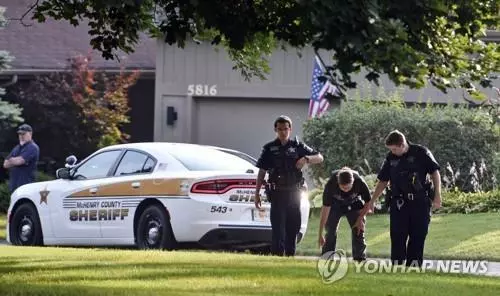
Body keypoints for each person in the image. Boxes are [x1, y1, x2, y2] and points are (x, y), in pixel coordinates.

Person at [356, 130, 441, 267]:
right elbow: (383, 181)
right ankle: (397, 267)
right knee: (397, 236)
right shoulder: (391, 158)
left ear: (402, 144)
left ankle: (413, 267)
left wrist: (437, 195)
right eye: (391, 149)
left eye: (394, 149)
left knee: (418, 235)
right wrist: (372, 201)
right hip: (399, 203)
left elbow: (435, 173)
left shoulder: (421, 153)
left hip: (419, 202)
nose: (392, 152)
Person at [254, 115, 323, 256]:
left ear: (290, 129)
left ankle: (290, 255)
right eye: (280, 129)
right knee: (278, 228)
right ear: (275, 130)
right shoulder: (269, 148)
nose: (283, 132)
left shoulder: (297, 146)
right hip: (277, 193)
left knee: (293, 226)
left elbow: (320, 157)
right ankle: (277, 256)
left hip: (295, 192)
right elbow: (261, 172)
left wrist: (306, 158)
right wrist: (256, 194)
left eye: (285, 129)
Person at [318, 167, 371, 261]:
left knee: (358, 229)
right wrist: (320, 234)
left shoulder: (359, 182)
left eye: (348, 187)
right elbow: (325, 210)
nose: (345, 190)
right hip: (335, 205)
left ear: (353, 182)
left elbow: (368, 203)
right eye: (342, 187)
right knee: (330, 231)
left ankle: (359, 258)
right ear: (338, 183)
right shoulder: (331, 185)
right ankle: (327, 257)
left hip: (354, 203)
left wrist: (360, 219)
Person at [3, 124, 40, 193]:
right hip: (14, 186)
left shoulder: (33, 147)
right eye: (20, 134)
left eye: (24, 134)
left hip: (26, 186)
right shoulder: (16, 148)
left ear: (30, 134)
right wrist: (16, 160)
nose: (21, 136)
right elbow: (5, 164)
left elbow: (20, 161)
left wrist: (12, 160)